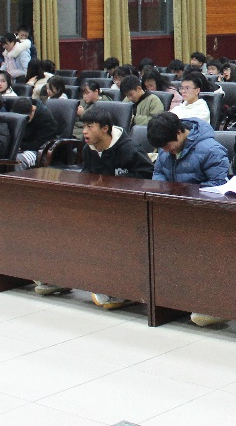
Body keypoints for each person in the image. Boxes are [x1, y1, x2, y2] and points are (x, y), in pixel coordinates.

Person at [39, 106, 155, 306]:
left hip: (128, 209)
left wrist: (114, 184)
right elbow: (87, 176)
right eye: (83, 126)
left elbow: (148, 176)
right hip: (100, 207)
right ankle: (60, 276)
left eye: (90, 127)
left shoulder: (129, 149)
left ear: (105, 129)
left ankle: (117, 287)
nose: (84, 132)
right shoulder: (89, 149)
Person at [147, 113, 228, 187]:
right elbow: (159, 172)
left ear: (178, 133)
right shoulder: (165, 146)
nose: (165, 151)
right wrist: (163, 188)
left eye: (167, 146)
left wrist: (185, 191)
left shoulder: (212, 151)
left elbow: (219, 184)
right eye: (161, 147)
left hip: (198, 196)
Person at [16, 98, 59, 170]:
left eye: (27, 118)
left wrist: (21, 146)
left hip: (38, 151)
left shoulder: (45, 117)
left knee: (18, 160)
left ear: (33, 109)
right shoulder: (16, 112)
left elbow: (43, 143)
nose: (25, 121)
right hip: (20, 148)